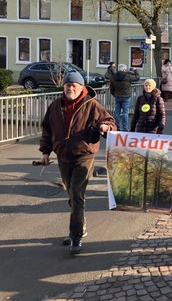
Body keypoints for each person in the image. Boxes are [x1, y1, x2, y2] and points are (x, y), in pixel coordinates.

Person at [38, 71, 116, 254]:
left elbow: (110, 121)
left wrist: (106, 127)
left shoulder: (91, 105)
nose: (70, 89)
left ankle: (76, 237)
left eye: (74, 86)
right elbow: (47, 129)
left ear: (81, 87)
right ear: (63, 87)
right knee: (72, 195)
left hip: (84, 156)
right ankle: (81, 226)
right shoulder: (56, 106)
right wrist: (45, 152)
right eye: (67, 86)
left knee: (77, 194)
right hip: (63, 156)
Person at [109, 64, 140, 131]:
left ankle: (117, 127)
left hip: (117, 96)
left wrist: (114, 94)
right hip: (126, 96)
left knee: (116, 112)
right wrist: (135, 70)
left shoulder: (113, 77)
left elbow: (111, 88)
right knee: (125, 113)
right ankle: (125, 128)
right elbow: (137, 77)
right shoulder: (127, 76)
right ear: (124, 70)